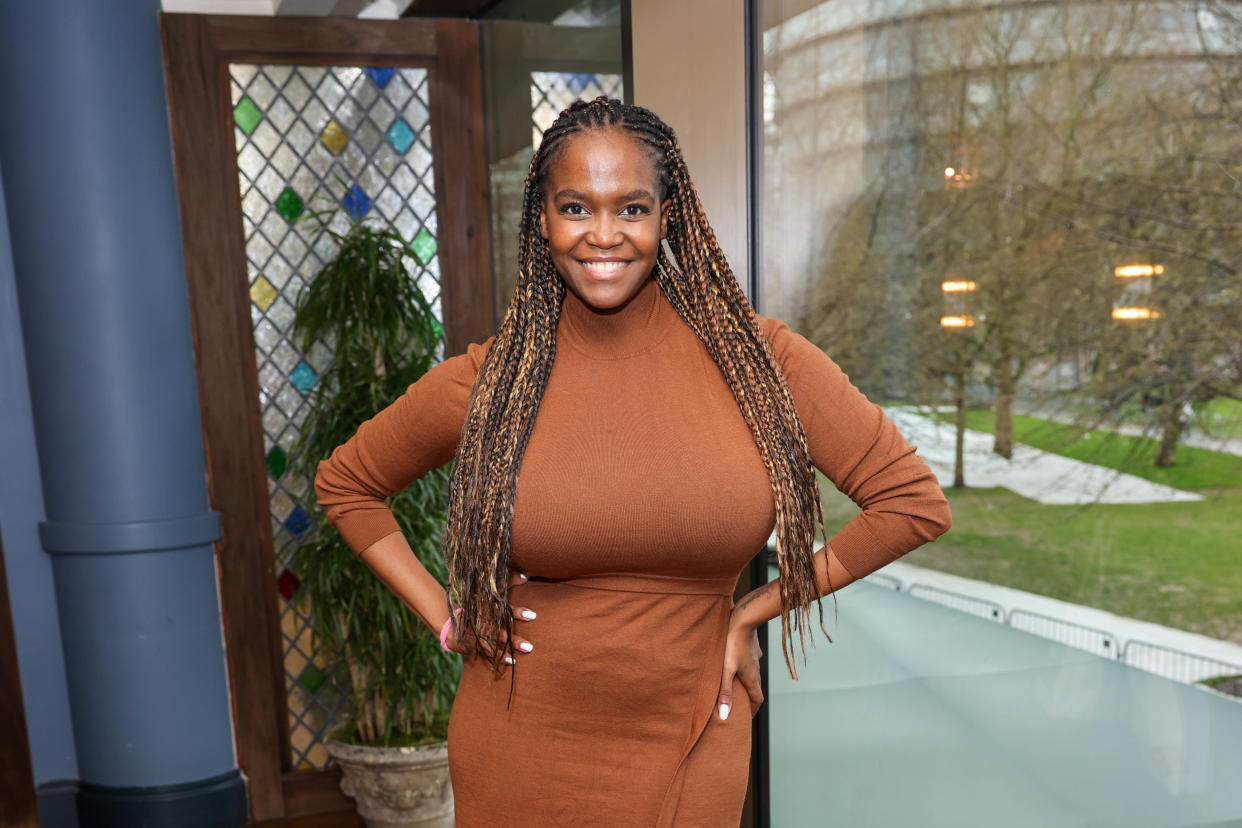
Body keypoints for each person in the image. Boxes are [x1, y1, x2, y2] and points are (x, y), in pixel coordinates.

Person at [314, 96, 951, 827]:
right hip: (521, 737)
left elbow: (911, 503)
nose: (604, 235)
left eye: (632, 208)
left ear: (667, 215)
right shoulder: (495, 381)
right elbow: (347, 484)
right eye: (577, 208)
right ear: (542, 219)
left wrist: (751, 611)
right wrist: (447, 619)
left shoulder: (761, 362)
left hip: (694, 728)